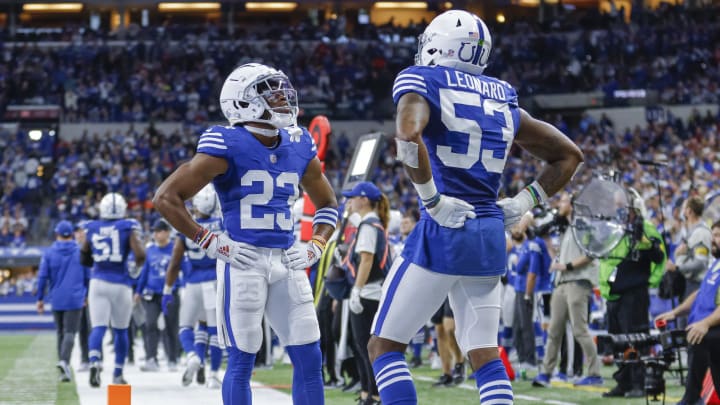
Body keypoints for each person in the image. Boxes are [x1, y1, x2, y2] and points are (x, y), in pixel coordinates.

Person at [366, 9, 584, 405]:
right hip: (487, 232)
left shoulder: (422, 79)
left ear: (437, 44)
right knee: (484, 353)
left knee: (384, 346)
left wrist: (431, 199)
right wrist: (523, 201)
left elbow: (407, 135)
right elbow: (569, 155)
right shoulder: (502, 95)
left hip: (445, 225)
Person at [153, 62, 338, 405]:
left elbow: (328, 204)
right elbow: (166, 197)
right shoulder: (227, 142)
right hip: (244, 261)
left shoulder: (299, 143)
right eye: (271, 91)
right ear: (242, 102)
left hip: (288, 259)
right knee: (242, 358)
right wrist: (209, 240)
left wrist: (316, 244)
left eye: (283, 90)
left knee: (310, 356)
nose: (284, 98)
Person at [532, 192, 603, 387]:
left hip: (578, 281)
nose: (559, 205)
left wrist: (567, 266)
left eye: (563, 201)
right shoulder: (566, 229)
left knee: (580, 330)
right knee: (554, 330)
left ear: (572, 205)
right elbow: (559, 257)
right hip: (561, 283)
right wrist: (547, 243)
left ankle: (595, 373)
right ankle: (546, 373)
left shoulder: (583, 225)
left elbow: (591, 254)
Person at [598, 193, 665, 398]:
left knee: (635, 338)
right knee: (617, 340)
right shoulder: (616, 229)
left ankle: (638, 382)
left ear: (633, 206)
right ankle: (623, 382)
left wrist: (648, 281)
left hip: (634, 293)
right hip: (614, 293)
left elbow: (659, 256)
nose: (619, 209)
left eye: (622, 205)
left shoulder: (646, 227)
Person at [80, 192, 146, 387]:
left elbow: (83, 257)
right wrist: (135, 269)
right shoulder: (128, 227)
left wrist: (97, 261)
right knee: (120, 330)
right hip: (120, 282)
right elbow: (140, 253)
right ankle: (117, 373)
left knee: (98, 327)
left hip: (98, 281)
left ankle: (94, 361)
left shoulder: (91, 227)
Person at [163, 183, 224, 388]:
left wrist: (167, 290)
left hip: (192, 284)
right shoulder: (223, 224)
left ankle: (192, 356)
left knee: (187, 326)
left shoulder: (188, 225)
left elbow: (174, 263)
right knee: (215, 329)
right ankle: (214, 375)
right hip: (215, 281)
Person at [656, 220, 720, 405]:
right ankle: (691, 397)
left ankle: (690, 398)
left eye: (717, 235)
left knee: (700, 341)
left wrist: (705, 324)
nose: (712, 240)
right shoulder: (715, 264)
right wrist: (675, 313)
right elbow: (699, 293)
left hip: (708, 330)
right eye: (713, 235)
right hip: (702, 329)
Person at [343, 181, 391, 405]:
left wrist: (357, 289)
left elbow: (367, 258)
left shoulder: (369, 225)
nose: (349, 201)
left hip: (369, 293)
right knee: (361, 347)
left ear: (364, 199)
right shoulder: (371, 223)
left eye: (353, 197)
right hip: (371, 293)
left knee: (366, 348)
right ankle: (367, 393)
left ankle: (374, 395)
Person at [36, 220, 89, 382]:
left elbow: (42, 277)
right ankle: (64, 362)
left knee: (60, 332)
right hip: (75, 298)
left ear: (57, 234)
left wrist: (40, 298)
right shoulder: (81, 252)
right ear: (71, 234)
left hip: (57, 298)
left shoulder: (49, 253)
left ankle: (63, 366)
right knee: (70, 332)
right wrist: (86, 295)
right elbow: (88, 276)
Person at [134, 218, 180, 372]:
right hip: (152, 294)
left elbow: (182, 269)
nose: (156, 234)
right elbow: (145, 272)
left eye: (159, 231)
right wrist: (138, 291)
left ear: (167, 232)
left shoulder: (175, 248)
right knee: (150, 324)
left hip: (170, 293)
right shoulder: (150, 249)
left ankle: (172, 358)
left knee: (171, 327)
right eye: (154, 231)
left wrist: (179, 286)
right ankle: (151, 358)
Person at [666, 196, 712, 301]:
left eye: (683, 208)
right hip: (688, 283)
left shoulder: (701, 232)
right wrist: (678, 254)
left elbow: (700, 262)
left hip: (696, 284)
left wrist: (677, 268)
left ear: (689, 211)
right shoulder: (691, 231)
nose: (682, 211)